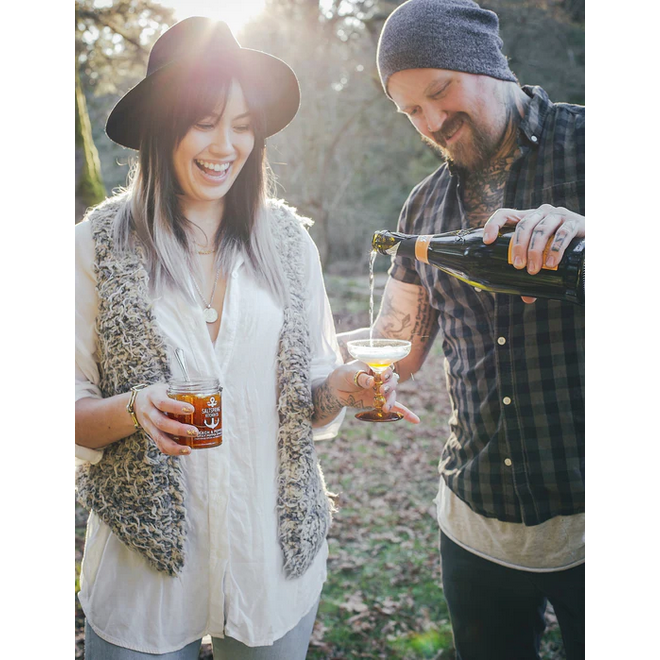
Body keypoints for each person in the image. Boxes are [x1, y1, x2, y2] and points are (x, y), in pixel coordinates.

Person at [75, 17, 417, 660]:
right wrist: (133, 409)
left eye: (241, 124)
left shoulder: (288, 241)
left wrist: (342, 386)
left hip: (272, 567)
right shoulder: (96, 244)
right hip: (142, 581)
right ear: (161, 126)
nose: (225, 145)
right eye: (203, 121)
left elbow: (312, 387)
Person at [338, 1, 585, 658]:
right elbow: (401, 349)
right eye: (410, 111)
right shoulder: (423, 208)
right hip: (475, 529)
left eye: (439, 91)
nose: (431, 121)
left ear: (488, 63)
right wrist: (371, 378)